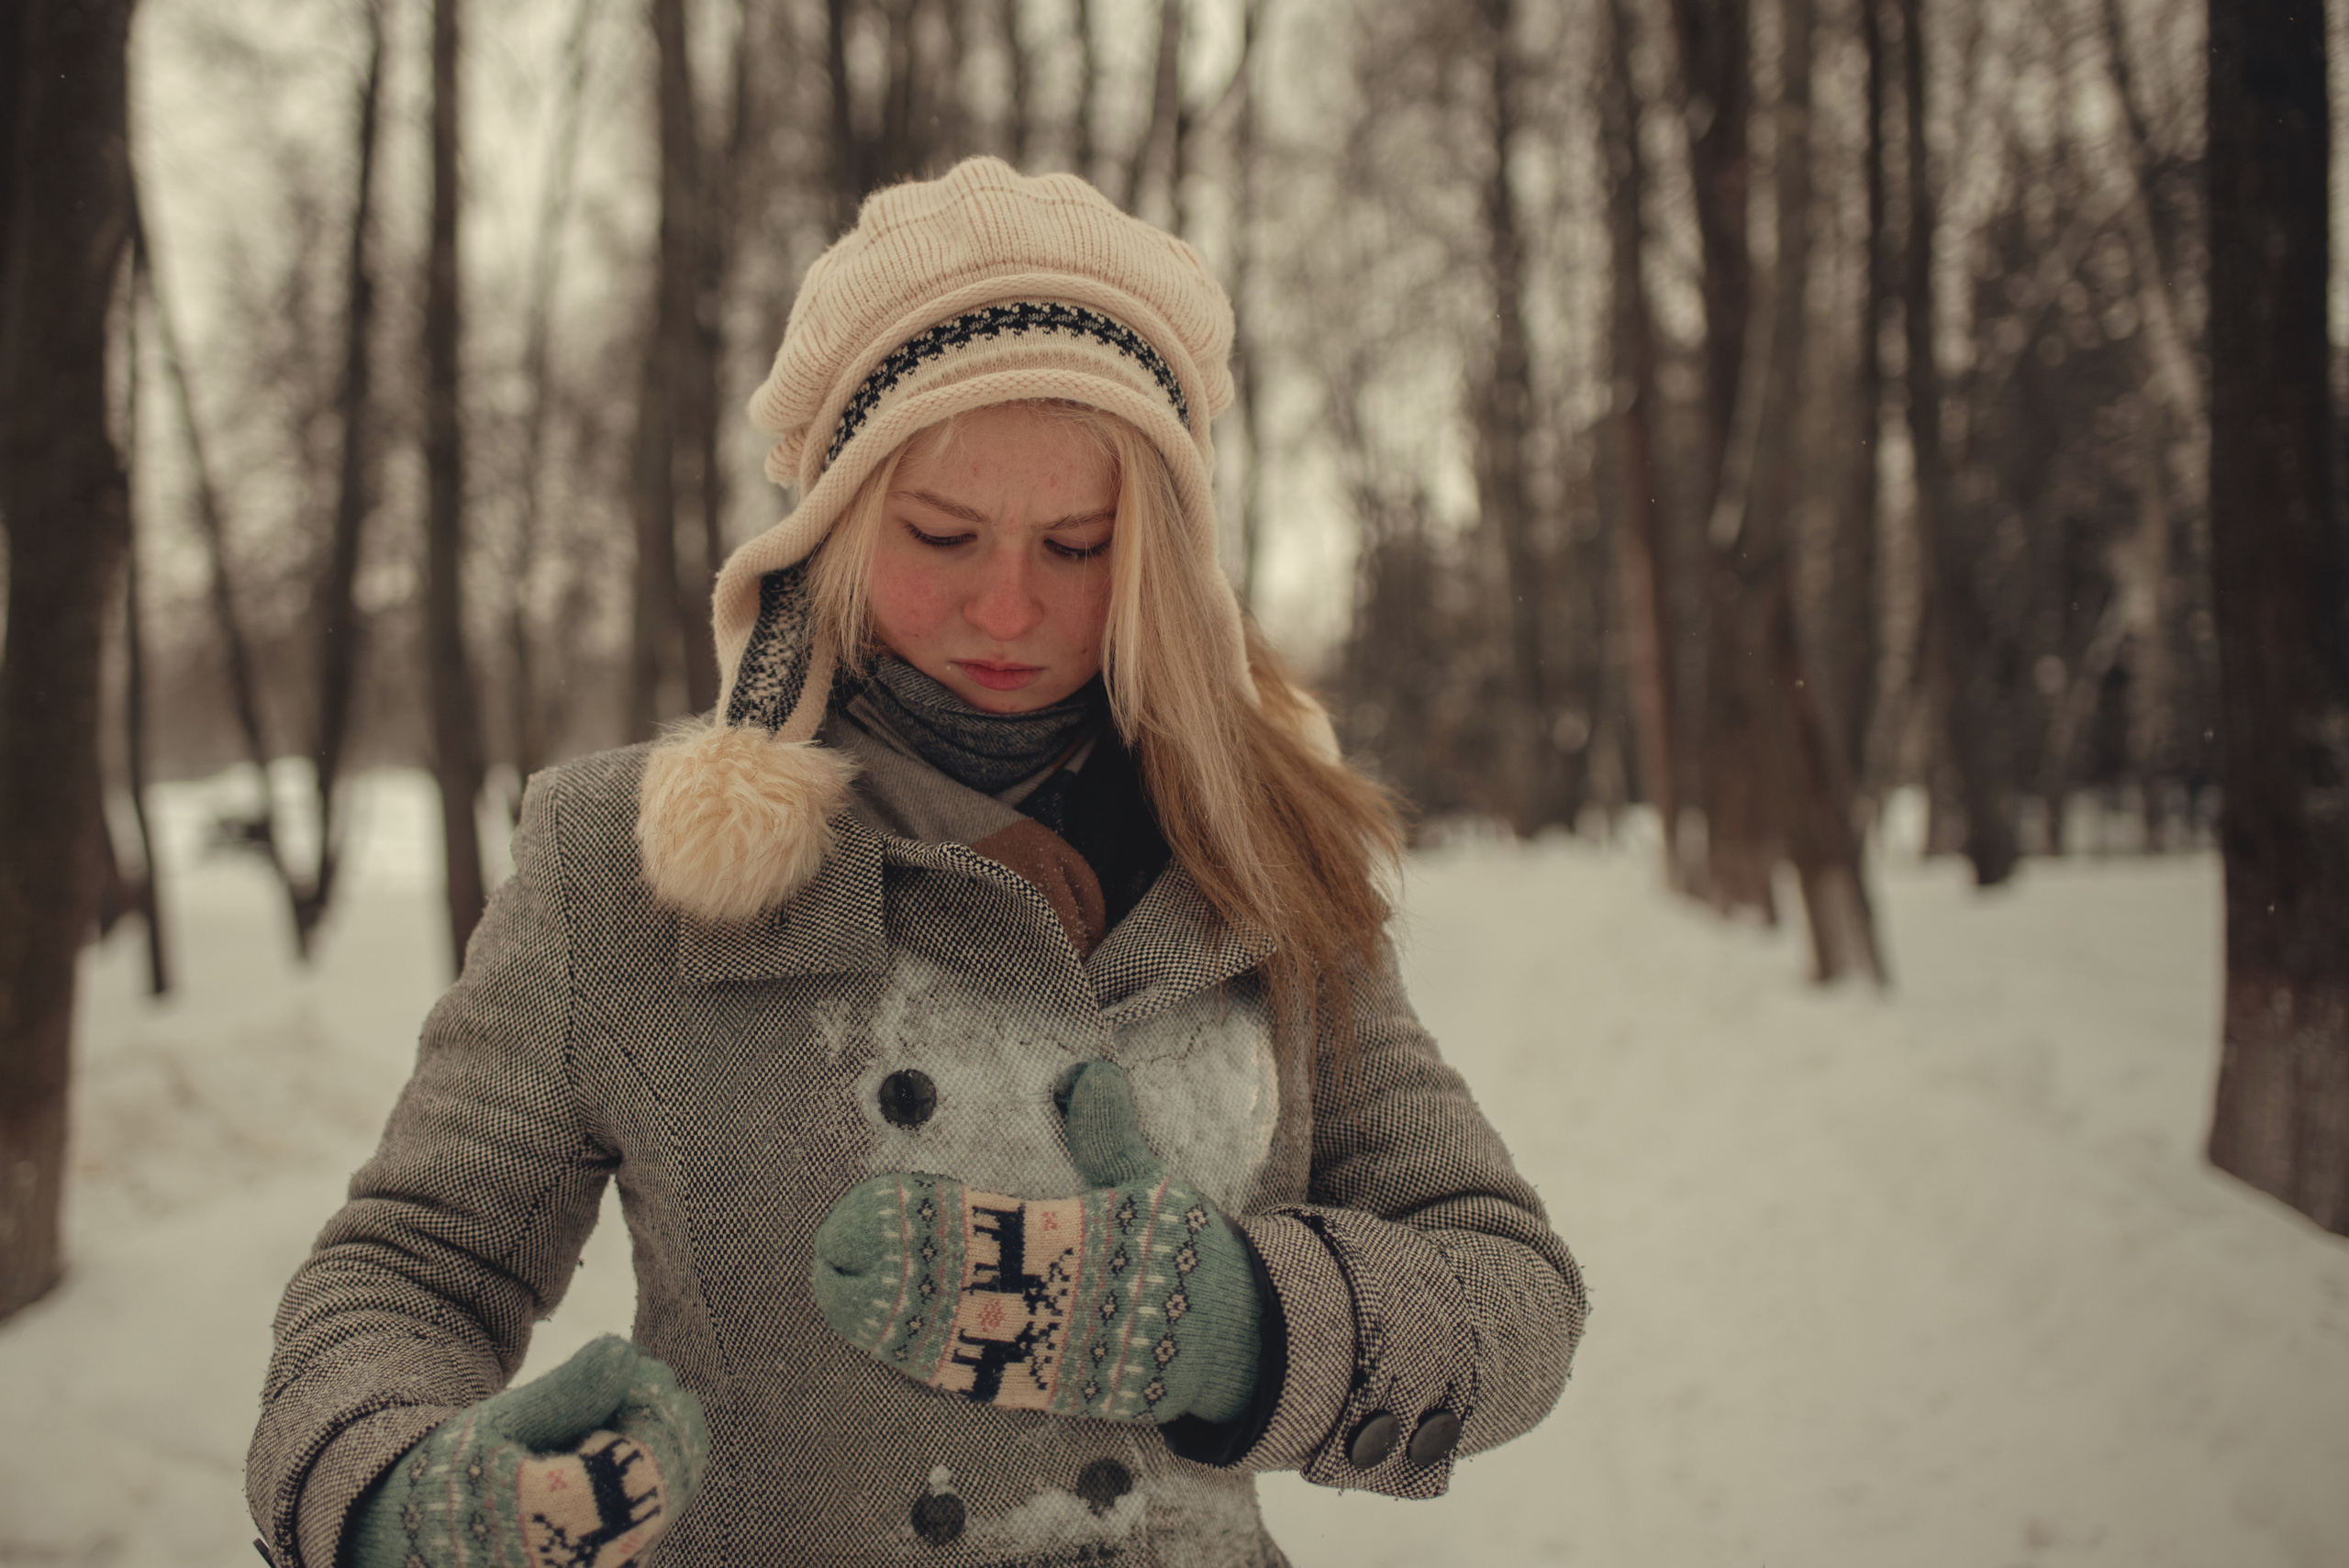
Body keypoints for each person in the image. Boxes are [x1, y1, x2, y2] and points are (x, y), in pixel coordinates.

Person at [247, 155, 1587, 1568]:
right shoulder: (623, 866)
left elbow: (1511, 1290)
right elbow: (406, 1267)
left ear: (1160, 563)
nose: (1005, 605)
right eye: (940, 533)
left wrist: (1240, 1322)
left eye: (1079, 545)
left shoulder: (1264, 866)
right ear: (826, 529)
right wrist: (391, 1493)